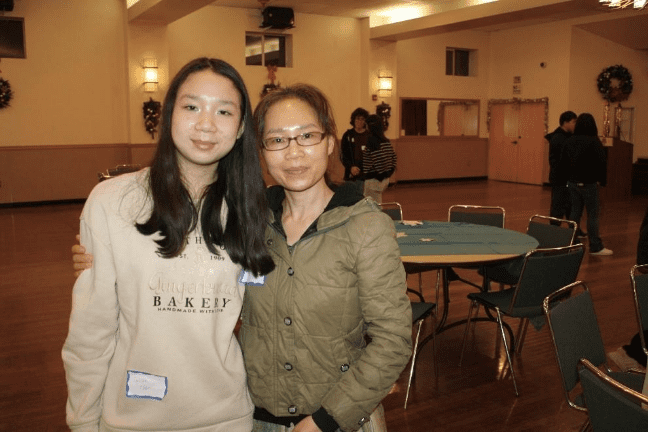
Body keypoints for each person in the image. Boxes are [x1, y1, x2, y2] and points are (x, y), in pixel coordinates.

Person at [73, 83, 413, 432]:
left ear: (329, 143)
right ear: (261, 152)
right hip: (257, 419)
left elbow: (393, 340)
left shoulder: (365, 226)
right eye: (277, 140)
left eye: (307, 136)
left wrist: (323, 421)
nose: (293, 152)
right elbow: (192, 265)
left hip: (338, 422)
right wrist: (106, 254)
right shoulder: (247, 220)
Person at [63, 57, 274, 432]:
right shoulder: (113, 202)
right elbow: (90, 331)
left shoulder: (252, 209)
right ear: (169, 113)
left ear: (242, 127)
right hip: (132, 418)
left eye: (224, 111)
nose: (206, 124)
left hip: (226, 417)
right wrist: (82, 420)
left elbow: (273, 303)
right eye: (192, 107)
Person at [561, 112, 612, 256]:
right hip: (589, 183)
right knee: (592, 215)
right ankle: (595, 246)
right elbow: (602, 163)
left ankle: (572, 242)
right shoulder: (594, 141)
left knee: (575, 212)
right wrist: (603, 181)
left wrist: (567, 179)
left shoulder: (570, 141)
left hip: (573, 182)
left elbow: (563, 162)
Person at [546, 111, 578, 229]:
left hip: (564, 177)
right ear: (565, 122)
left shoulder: (564, 136)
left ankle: (574, 228)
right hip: (560, 177)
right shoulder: (559, 138)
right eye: (573, 122)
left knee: (569, 205)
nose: (575, 125)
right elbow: (560, 161)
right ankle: (554, 229)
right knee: (558, 206)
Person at [361, 114, 397, 204]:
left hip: (373, 180)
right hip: (384, 179)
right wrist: (388, 172)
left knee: (370, 205)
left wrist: (380, 175)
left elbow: (377, 159)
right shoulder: (386, 141)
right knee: (377, 202)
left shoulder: (372, 141)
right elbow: (393, 157)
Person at [340, 108, 370, 181]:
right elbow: (343, 155)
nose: (359, 121)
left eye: (362, 119)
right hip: (351, 174)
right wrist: (351, 167)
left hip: (366, 175)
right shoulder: (347, 135)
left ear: (365, 121)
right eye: (357, 119)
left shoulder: (370, 135)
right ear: (353, 120)